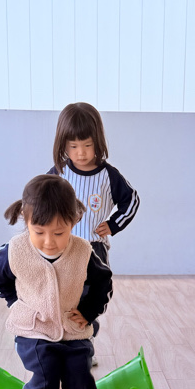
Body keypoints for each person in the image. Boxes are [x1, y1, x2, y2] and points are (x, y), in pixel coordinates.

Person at [0, 174, 112, 389]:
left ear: (74, 221)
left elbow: (103, 282)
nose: (49, 241)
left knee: (79, 373)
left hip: (73, 328)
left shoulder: (83, 251)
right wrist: (15, 303)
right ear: (26, 220)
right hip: (34, 328)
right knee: (45, 373)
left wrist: (88, 311)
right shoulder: (14, 251)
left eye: (59, 233)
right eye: (39, 232)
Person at [50, 102, 139, 364]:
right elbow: (42, 200)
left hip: (94, 250)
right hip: (62, 249)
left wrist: (113, 224)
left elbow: (132, 201)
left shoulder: (108, 176)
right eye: (73, 146)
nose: (80, 153)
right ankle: (62, 346)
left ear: (98, 141)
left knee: (90, 301)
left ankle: (85, 345)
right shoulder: (59, 173)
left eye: (87, 145)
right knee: (63, 299)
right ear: (63, 145)